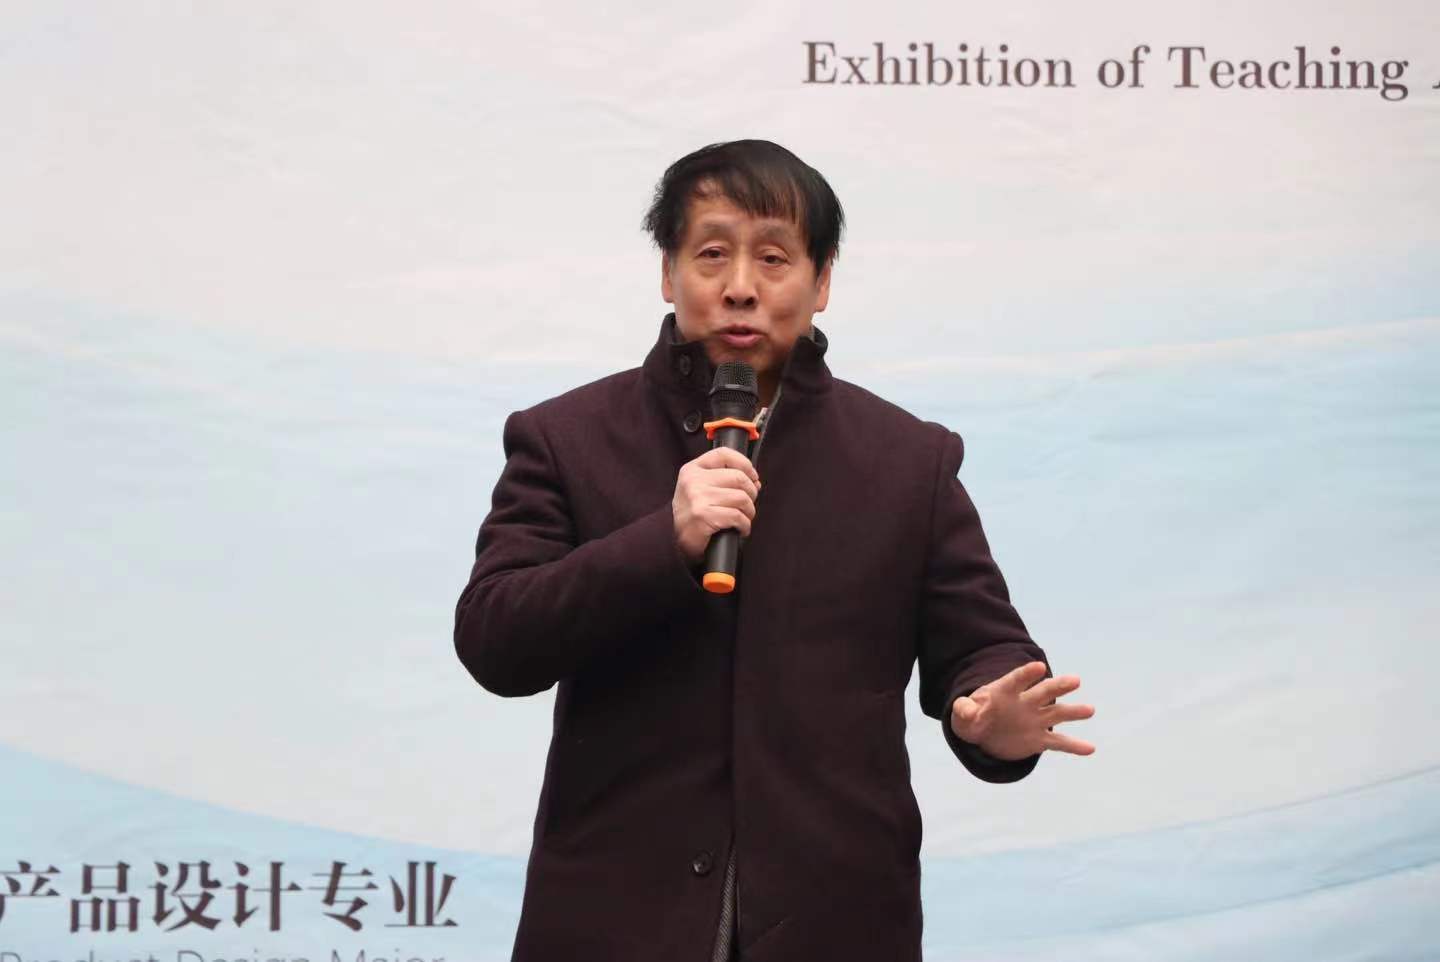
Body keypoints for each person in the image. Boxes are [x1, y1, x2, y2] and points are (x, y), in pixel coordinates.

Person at [453, 139, 1095, 962]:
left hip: (838, 920)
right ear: (668, 272)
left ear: (821, 282)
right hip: (613, 920)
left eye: (773, 258)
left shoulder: (909, 461)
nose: (740, 286)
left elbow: (983, 647)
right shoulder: (564, 438)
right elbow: (496, 638)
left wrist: (990, 713)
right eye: (711, 254)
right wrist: (662, 543)